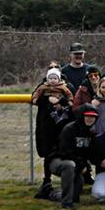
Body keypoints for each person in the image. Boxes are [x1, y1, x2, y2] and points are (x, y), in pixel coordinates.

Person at [32, 67, 75, 200]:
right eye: (50, 77)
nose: (52, 80)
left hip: (62, 125)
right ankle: (47, 182)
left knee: (66, 152)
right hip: (47, 126)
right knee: (47, 153)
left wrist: (60, 102)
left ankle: (72, 180)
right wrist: (47, 100)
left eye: (55, 77)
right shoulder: (43, 86)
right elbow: (35, 98)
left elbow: (71, 99)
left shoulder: (67, 86)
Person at [50, 104, 99, 209]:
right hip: (58, 161)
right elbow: (64, 152)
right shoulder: (69, 129)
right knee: (69, 165)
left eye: (93, 117)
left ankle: (52, 194)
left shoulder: (91, 133)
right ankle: (66, 203)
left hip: (76, 164)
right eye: (88, 116)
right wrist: (81, 165)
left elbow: (92, 154)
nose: (90, 119)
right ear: (81, 116)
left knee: (76, 193)